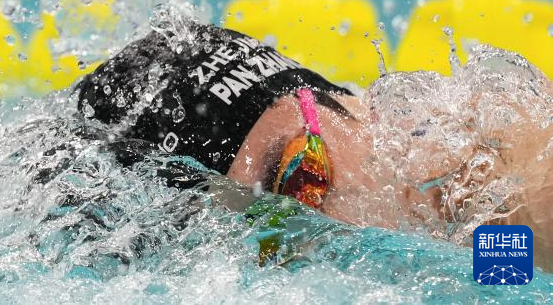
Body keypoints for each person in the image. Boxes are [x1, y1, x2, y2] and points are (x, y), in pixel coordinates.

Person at [75, 21, 552, 270]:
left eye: (303, 176)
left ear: (351, 107)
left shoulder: (505, 168)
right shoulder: (490, 255)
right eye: (270, 240)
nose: (317, 224)